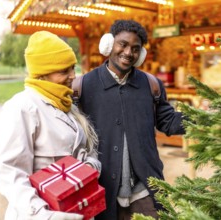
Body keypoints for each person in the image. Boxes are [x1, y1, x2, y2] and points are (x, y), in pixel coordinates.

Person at [78, 19, 186, 219]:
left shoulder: (151, 85)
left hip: (144, 189)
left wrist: (203, 118)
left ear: (141, 55)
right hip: (102, 190)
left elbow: (167, 121)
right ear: (109, 44)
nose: (128, 53)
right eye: (123, 44)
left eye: (135, 49)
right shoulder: (84, 86)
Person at [0, 31, 101, 220]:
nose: (72, 76)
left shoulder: (65, 103)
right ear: (42, 73)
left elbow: (85, 150)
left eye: (72, 68)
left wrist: (90, 166)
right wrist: (44, 214)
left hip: (77, 207)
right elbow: (10, 173)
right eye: (63, 71)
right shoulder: (21, 108)